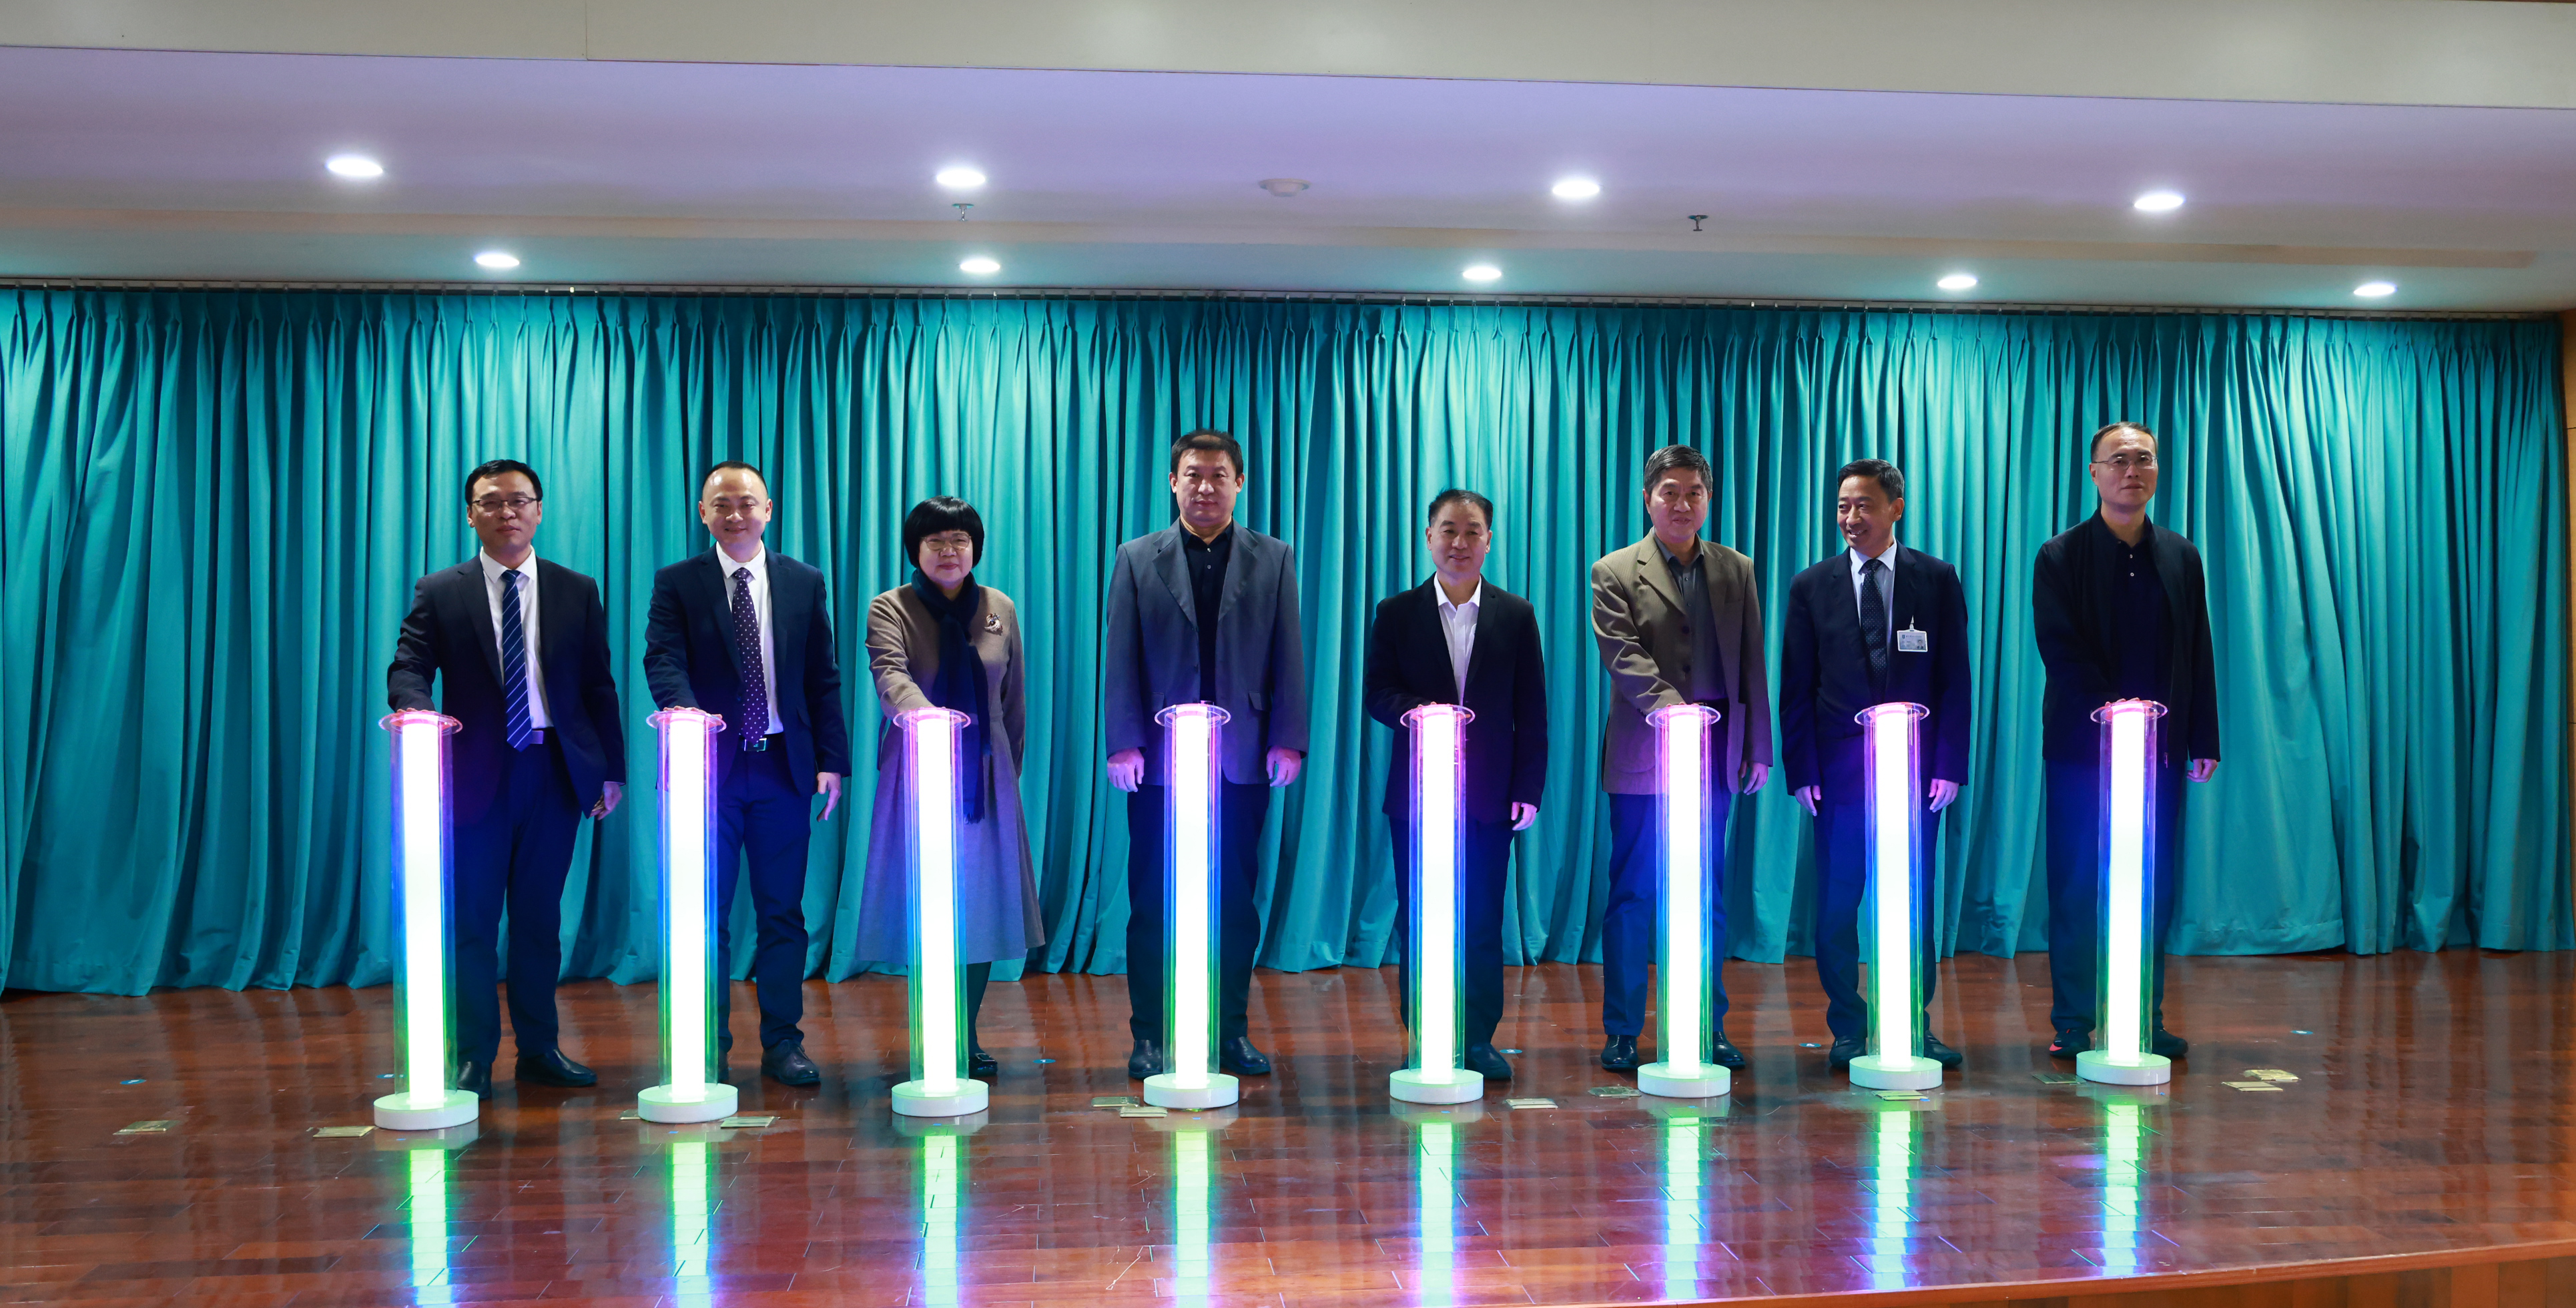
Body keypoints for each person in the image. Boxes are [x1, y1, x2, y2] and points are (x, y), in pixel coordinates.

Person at [387, 458, 626, 1099]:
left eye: (519, 501)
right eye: (491, 502)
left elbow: (598, 685)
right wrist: (417, 711)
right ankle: (473, 1056)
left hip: (554, 773)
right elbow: (409, 666)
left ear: (539, 510)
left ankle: (539, 1049)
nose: (506, 512)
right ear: (471, 515)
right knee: (472, 923)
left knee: (539, 922)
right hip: (474, 777)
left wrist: (611, 769)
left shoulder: (576, 589)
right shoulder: (441, 590)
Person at [1102, 429, 1310, 1081]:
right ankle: (1149, 1035)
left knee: (1234, 904)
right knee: (1152, 901)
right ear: (1173, 482)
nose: (1205, 487)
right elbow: (1120, 656)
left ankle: (1230, 1031)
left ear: (1239, 484)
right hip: (1159, 763)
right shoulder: (1136, 557)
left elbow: (1288, 653)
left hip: (1242, 759)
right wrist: (1123, 742)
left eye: (1219, 475)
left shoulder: (1274, 557)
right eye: (1192, 474)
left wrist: (1288, 738)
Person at [644, 461, 850, 1088]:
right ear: (703, 513)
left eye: (746, 503)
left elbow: (822, 676)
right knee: (705, 914)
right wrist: (687, 717)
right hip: (709, 771)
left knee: (782, 913)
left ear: (768, 510)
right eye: (722, 505)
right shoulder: (677, 582)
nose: (735, 515)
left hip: (784, 768)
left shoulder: (803, 581)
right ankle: (706, 1046)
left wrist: (832, 761)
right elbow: (663, 659)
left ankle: (784, 1043)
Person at [2033, 421, 2220, 1061]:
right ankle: (2074, 1021)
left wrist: (2203, 735)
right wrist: (2113, 709)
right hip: (2081, 750)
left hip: (2159, 752)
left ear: (2158, 470)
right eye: (2118, 460)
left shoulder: (2181, 555)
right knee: (2076, 884)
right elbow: (2060, 647)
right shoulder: (2060, 555)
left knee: (2151, 883)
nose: (2132, 471)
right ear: (2094, 473)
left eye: (2144, 459)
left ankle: (2143, 1014)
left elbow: (2197, 649)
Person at [1778, 458, 1971, 1072]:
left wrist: (1949, 765)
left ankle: (1912, 1023)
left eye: (1863, 505)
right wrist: (1803, 770)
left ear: (1896, 508)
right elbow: (1796, 687)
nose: (1851, 517)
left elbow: (1956, 680)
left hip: (1915, 773)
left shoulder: (1936, 579)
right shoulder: (1812, 586)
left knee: (1912, 900)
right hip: (1838, 774)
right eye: (1842, 506)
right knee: (1838, 904)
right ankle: (1847, 1025)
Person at [1589, 443, 1773, 1073]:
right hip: (1644, 754)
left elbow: (1751, 660)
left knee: (1706, 893)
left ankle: (1706, 1025)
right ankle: (1622, 1030)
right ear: (1648, 498)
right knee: (1633, 894)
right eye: (1669, 491)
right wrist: (1676, 714)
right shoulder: (1614, 570)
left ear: (1708, 500)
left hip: (1715, 758)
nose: (1682, 503)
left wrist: (1758, 746)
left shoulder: (1736, 569)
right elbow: (1622, 655)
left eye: (1694, 492)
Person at [852, 497, 1045, 1080]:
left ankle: (966, 1031)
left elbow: (1012, 698)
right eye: (935, 540)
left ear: (974, 548)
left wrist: (1006, 769)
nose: (948, 550)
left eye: (960, 540)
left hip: (985, 776)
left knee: (981, 905)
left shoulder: (999, 608)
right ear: (916, 548)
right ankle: (934, 1027)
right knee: (927, 903)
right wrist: (931, 722)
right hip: (918, 772)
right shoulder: (890, 607)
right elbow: (891, 675)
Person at [1362, 489, 1548, 1082]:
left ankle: (1478, 1039)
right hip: (1419, 795)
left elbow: (1532, 710)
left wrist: (1528, 788)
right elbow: (1377, 694)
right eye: (1448, 530)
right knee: (1422, 918)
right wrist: (1421, 712)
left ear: (1489, 540)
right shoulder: (1397, 612)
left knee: (1481, 918)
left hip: (1491, 795)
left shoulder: (1515, 614)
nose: (1459, 543)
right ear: (1429, 538)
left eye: (1472, 532)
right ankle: (1425, 1034)